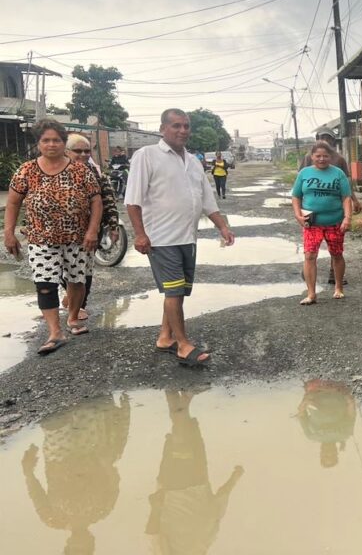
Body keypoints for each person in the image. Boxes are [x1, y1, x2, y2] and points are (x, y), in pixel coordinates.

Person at [125, 108, 235, 365]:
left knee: (178, 292)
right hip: (161, 239)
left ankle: (165, 337)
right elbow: (133, 201)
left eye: (186, 126)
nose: (182, 130)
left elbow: (207, 199)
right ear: (163, 128)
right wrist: (140, 234)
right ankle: (183, 345)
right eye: (176, 126)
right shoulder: (147, 156)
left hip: (188, 237)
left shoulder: (193, 161)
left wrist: (223, 226)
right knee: (174, 292)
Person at [4, 119, 102, 354]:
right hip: (40, 239)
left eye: (56, 140)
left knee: (77, 282)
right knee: (45, 285)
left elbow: (96, 202)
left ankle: (73, 317)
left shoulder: (80, 171)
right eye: (45, 140)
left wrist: (92, 231)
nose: (51, 144)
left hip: (77, 239)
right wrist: (9, 233)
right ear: (38, 143)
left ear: (63, 142)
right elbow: (13, 202)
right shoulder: (26, 170)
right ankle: (55, 333)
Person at [21, 394, 131, 555]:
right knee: (87, 407)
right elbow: (114, 481)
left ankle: (55, 386)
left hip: (58, 458)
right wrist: (105, 462)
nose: (79, 546)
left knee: (54, 421)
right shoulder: (103, 510)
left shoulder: (52, 519)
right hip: (91, 452)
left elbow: (36, 494)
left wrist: (28, 472)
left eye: (75, 551)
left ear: (68, 548)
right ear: (90, 542)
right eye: (84, 550)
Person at [146, 390, 243, 552]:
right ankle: (174, 392)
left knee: (182, 437)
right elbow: (217, 509)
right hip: (190, 482)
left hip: (176, 488)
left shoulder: (179, 550)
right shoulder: (204, 544)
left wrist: (155, 507)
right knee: (188, 430)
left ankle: (185, 397)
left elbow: (153, 533)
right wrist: (234, 478)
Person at [61, 134, 120, 321]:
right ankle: (71, 295)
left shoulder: (94, 171)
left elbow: (108, 198)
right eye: (78, 151)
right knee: (61, 268)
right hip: (59, 231)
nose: (84, 154)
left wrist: (113, 225)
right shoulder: (53, 170)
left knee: (84, 269)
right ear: (67, 151)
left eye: (87, 151)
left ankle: (80, 305)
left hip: (89, 230)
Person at [292, 142, 352, 305]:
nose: (322, 159)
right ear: (312, 157)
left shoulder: (338, 173)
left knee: (337, 254)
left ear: (330, 157)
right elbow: (296, 196)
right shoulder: (304, 173)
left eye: (325, 156)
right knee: (310, 255)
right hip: (311, 223)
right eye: (318, 156)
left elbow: (346, 197)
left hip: (335, 222)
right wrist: (297, 215)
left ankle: (338, 288)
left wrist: (347, 218)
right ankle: (311, 294)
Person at [300, 127, 361, 285]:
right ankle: (307, 268)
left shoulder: (339, 159)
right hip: (311, 211)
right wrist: (298, 210)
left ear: (333, 141)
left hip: (334, 211)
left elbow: (346, 185)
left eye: (328, 138)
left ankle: (334, 274)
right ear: (317, 138)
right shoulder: (309, 157)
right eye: (322, 137)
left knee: (335, 247)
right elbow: (300, 182)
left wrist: (354, 200)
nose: (325, 141)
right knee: (310, 248)